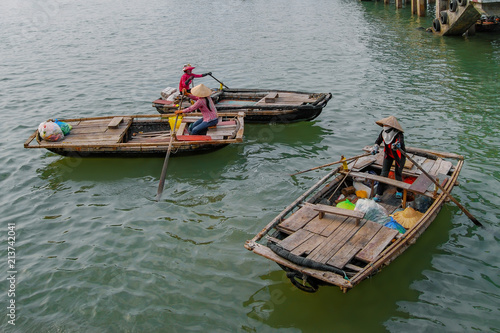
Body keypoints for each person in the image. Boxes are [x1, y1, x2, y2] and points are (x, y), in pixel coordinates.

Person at [370, 116, 406, 202]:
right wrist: (375, 148)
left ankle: (399, 190)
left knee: (398, 174)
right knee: (383, 174)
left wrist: (397, 145)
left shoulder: (398, 134)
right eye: (384, 125)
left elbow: (400, 142)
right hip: (388, 155)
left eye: (387, 125)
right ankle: (378, 194)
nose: (385, 127)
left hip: (399, 156)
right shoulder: (383, 133)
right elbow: (378, 141)